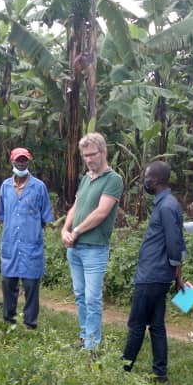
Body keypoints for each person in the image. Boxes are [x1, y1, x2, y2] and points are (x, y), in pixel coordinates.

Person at [122, 160, 186, 381]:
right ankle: (160, 372)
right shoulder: (166, 204)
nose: (144, 182)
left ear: (155, 180)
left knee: (137, 323)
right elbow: (176, 242)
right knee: (156, 325)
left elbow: (174, 242)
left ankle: (124, 367)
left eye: (146, 177)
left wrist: (178, 271)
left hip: (151, 275)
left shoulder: (167, 206)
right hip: (158, 274)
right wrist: (177, 273)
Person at [60, 132, 124, 351]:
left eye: (92, 154)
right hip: (75, 248)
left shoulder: (113, 180)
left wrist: (75, 231)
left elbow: (101, 213)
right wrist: (65, 229)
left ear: (104, 152)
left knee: (92, 298)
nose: (88, 159)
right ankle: (84, 337)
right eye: (85, 156)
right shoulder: (86, 178)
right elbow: (76, 207)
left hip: (94, 249)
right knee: (79, 295)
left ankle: (92, 346)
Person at [0, 147, 54, 328]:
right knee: (8, 283)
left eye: (24, 160)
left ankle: (30, 322)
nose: (21, 163)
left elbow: (45, 217)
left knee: (31, 285)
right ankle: (9, 319)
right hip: (10, 244)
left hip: (31, 245)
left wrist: (33, 232)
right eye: (18, 160)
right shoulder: (5, 186)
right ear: (12, 162)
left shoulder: (39, 187)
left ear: (28, 162)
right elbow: (3, 215)